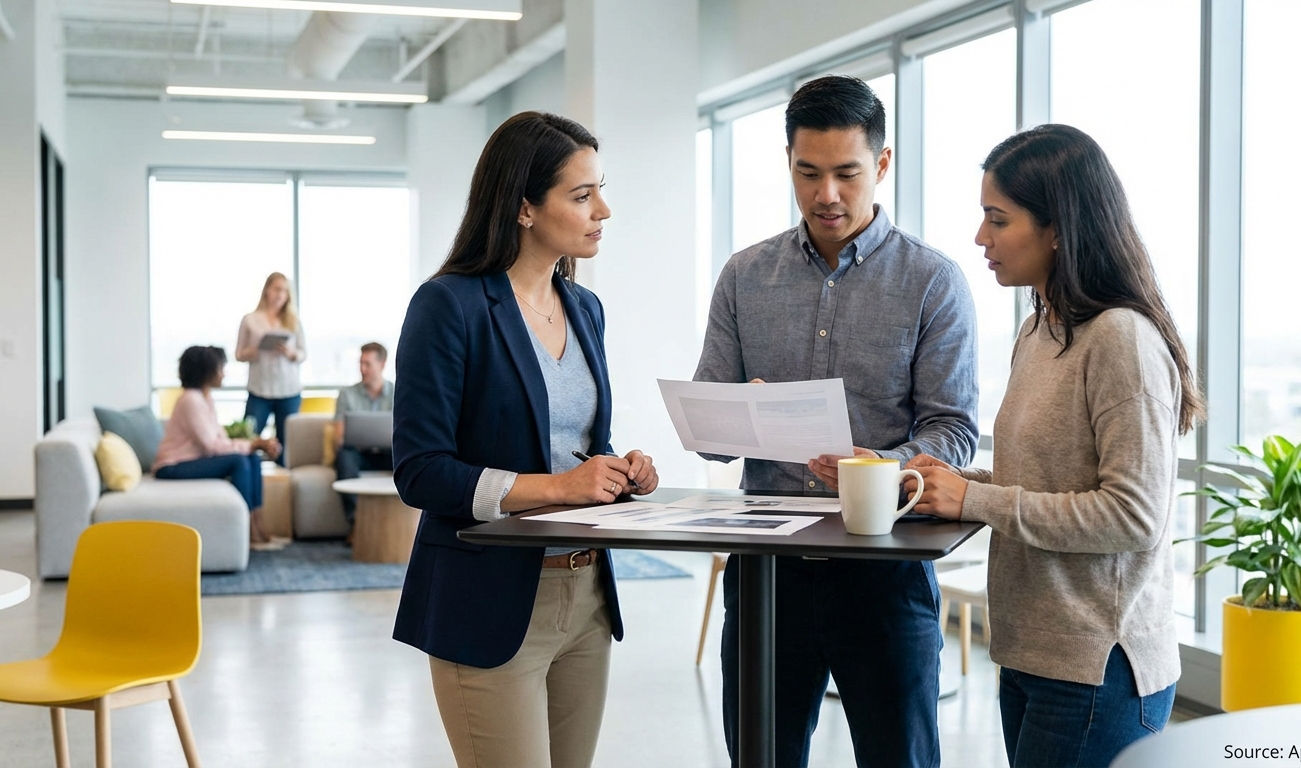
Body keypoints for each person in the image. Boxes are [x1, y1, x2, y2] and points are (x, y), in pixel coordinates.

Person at [694, 75, 979, 768]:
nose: (827, 194)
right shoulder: (742, 277)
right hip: (768, 572)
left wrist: (879, 467)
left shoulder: (932, 281)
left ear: (880, 165)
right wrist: (743, 416)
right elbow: (707, 423)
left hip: (885, 570)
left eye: (847, 173)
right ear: (788, 163)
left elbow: (954, 429)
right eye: (808, 173)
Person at [906, 124, 1204, 768]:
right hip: (1031, 652)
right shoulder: (1039, 328)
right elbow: (1043, 474)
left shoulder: (1121, 338)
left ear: (1058, 227)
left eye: (997, 219)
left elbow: (1131, 514)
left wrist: (975, 501)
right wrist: (954, 482)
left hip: (1097, 667)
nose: (980, 239)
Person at [391, 111, 661, 768]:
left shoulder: (585, 308)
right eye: (581, 194)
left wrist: (619, 468)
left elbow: (563, 437)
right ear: (524, 208)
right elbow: (420, 471)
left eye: (600, 189)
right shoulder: (448, 305)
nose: (603, 210)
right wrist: (557, 489)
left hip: (587, 596)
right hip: (489, 602)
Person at [152, 345, 286, 550]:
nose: (223, 373)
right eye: (220, 368)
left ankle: (259, 526)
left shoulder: (205, 399)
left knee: (252, 458)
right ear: (206, 371)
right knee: (239, 461)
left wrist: (253, 445)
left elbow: (220, 438)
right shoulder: (191, 401)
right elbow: (211, 447)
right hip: (171, 466)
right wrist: (253, 444)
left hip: (190, 461)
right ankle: (249, 532)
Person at [236, 272, 306, 465]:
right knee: (250, 438)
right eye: (277, 289)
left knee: (287, 444)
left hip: (289, 390)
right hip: (259, 390)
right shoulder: (250, 320)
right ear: (267, 289)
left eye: (284, 291)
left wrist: (291, 353)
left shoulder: (293, 321)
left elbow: (302, 354)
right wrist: (256, 349)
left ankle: (284, 488)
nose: (280, 294)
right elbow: (239, 354)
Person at [333, 341, 395, 530]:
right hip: (359, 456)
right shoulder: (347, 394)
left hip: (388, 454)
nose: (362, 369)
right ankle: (356, 525)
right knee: (345, 454)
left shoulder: (397, 393)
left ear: (382, 364)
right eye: (361, 363)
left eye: (368, 364)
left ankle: (403, 525)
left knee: (409, 457)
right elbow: (338, 437)